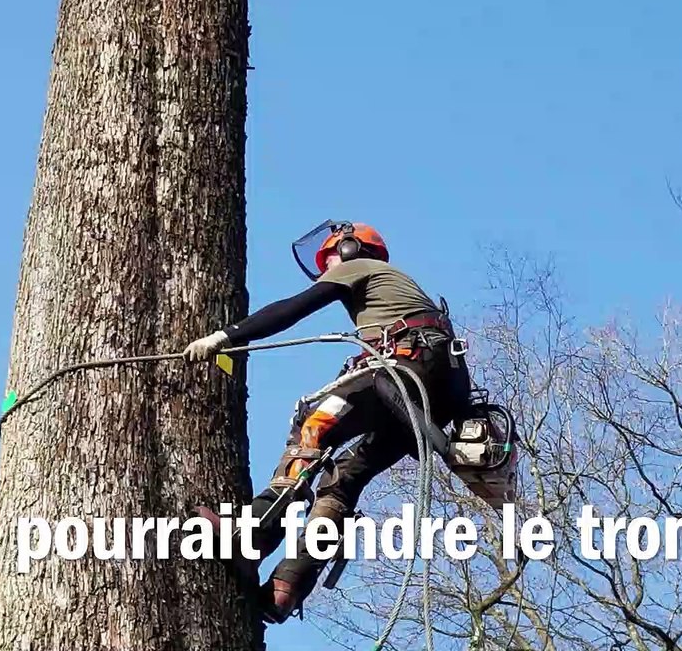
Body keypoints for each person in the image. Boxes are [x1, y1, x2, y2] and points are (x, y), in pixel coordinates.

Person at [182, 220, 472, 623]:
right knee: (345, 477)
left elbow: (294, 308)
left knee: (311, 426)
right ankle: (288, 586)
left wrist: (227, 335)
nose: (327, 267)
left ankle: (250, 536)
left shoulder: (365, 269)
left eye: (331, 255)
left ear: (354, 250)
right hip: (431, 396)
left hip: (404, 371)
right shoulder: (404, 293)